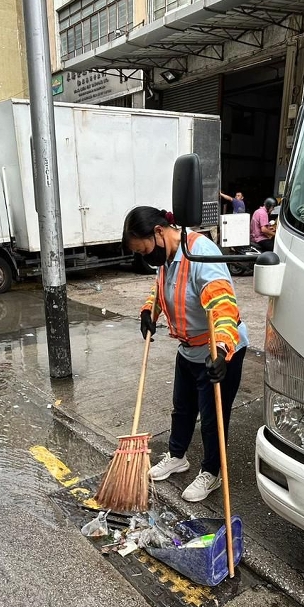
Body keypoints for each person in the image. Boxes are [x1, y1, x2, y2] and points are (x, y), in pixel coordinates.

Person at [123, 206, 249, 503]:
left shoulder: (200, 253)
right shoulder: (167, 257)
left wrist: (222, 351)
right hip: (189, 347)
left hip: (217, 350)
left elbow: (222, 305)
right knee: (182, 408)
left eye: (144, 250)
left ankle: (212, 472)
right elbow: (162, 289)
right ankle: (177, 456)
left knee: (212, 418)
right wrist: (149, 310)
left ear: (158, 232)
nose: (146, 257)